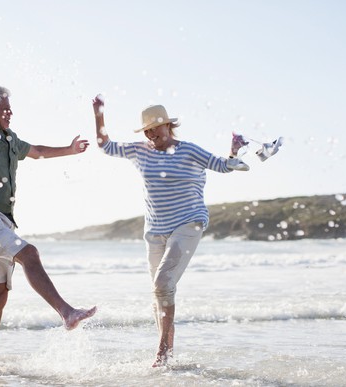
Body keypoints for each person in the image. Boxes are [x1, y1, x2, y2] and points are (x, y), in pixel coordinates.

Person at [0, 85, 96, 369]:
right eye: (5, 106)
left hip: (0, 220)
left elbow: (36, 151)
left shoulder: (10, 139)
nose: (10, 111)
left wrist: (70, 150)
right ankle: (67, 312)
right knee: (30, 253)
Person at [92, 95, 248, 367]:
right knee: (159, 292)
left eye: (156, 128)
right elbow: (105, 146)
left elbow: (223, 166)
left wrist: (233, 151)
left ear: (168, 126)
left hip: (189, 222)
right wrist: (99, 114)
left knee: (163, 283)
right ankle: (168, 352)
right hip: (155, 231)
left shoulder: (189, 150)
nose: (152, 134)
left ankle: (162, 352)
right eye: (148, 130)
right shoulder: (139, 150)